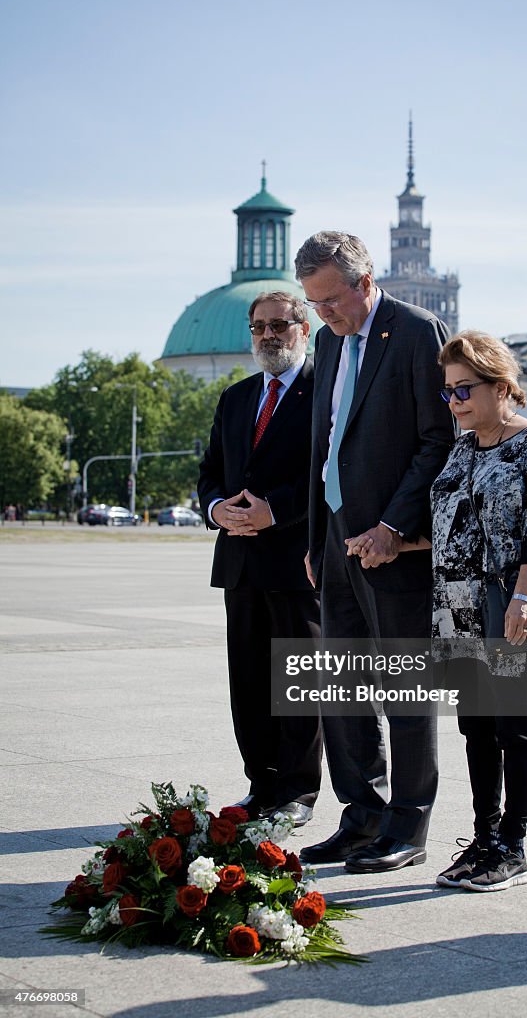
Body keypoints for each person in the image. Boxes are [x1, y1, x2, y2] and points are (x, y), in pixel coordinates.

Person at [294, 231, 453, 873]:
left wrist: (393, 524)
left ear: (363, 282)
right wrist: (315, 539)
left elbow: (438, 440)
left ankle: (408, 826)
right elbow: (323, 443)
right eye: (313, 304)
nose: (323, 315)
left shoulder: (417, 331)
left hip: (394, 544)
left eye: (331, 300)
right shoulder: (330, 342)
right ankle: (361, 816)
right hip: (335, 538)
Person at [430, 331, 527, 892]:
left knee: (513, 725)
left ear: (501, 386)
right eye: (449, 393)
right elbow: (449, 523)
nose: (456, 402)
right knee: (475, 728)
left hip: (508, 603)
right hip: (455, 605)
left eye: (464, 390)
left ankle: (514, 845)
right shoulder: (463, 447)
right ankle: (483, 839)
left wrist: (523, 597)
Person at [197, 292, 323, 827]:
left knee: (297, 683)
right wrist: (215, 506)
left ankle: (297, 792)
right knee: (247, 683)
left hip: (298, 562)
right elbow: (210, 471)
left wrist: (277, 512)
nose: (267, 335)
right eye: (258, 327)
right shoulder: (236, 397)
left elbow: (326, 473)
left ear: (304, 329)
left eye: (278, 325)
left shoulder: (326, 393)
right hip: (240, 564)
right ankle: (261, 783)